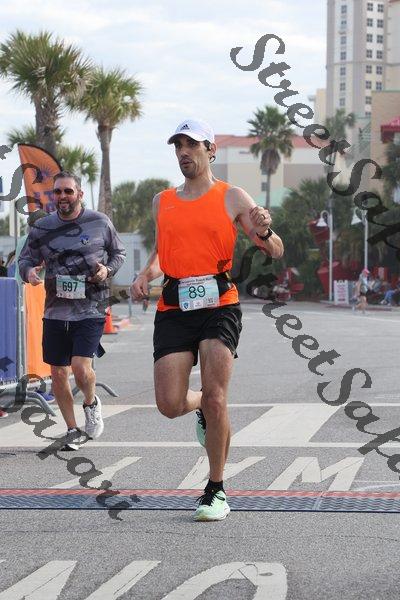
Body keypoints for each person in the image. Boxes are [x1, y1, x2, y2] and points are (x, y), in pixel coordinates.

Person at [131, 119, 284, 521]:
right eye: (177, 146)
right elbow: (164, 253)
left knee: (218, 396)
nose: (183, 152)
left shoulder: (231, 196)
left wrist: (265, 231)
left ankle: (215, 489)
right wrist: (146, 274)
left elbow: (275, 250)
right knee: (169, 404)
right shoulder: (161, 201)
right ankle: (199, 404)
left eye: (191, 145)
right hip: (174, 306)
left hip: (219, 302)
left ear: (210, 150)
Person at [18, 171, 126, 450]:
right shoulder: (43, 227)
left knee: (80, 366)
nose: (63, 196)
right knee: (57, 373)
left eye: (68, 191)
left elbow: (119, 253)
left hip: (91, 307)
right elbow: (26, 259)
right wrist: (29, 272)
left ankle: (90, 403)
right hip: (55, 310)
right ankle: (71, 429)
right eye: (58, 192)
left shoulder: (99, 222)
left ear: (79, 194)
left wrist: (107, 270)